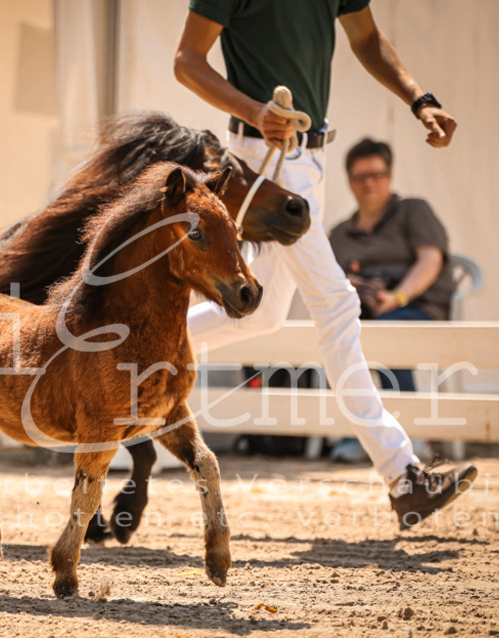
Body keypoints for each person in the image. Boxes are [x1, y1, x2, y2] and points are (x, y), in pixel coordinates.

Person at [174, 0, 476, 529]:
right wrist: (254, 112)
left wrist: (418, 99)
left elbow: (367, 40)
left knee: (262, 315)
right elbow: (187, 61)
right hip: (265, 162)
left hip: (308, 159)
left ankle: (133, 348)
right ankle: (403, 474)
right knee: (337, 305)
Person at [328, 137, 456, 462]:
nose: (368, 183)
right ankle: (356, 435)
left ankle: (409, 435)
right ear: (349, 182)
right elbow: (329, 279)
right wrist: (353, 284)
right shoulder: (340, 233)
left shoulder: (413, 210)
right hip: (365, 315)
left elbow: (431, 260)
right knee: (340, 338)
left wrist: (396, 296)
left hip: (418, 309)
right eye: (360, 177)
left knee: (387, 331)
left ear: (390, 175)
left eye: (376, 174)